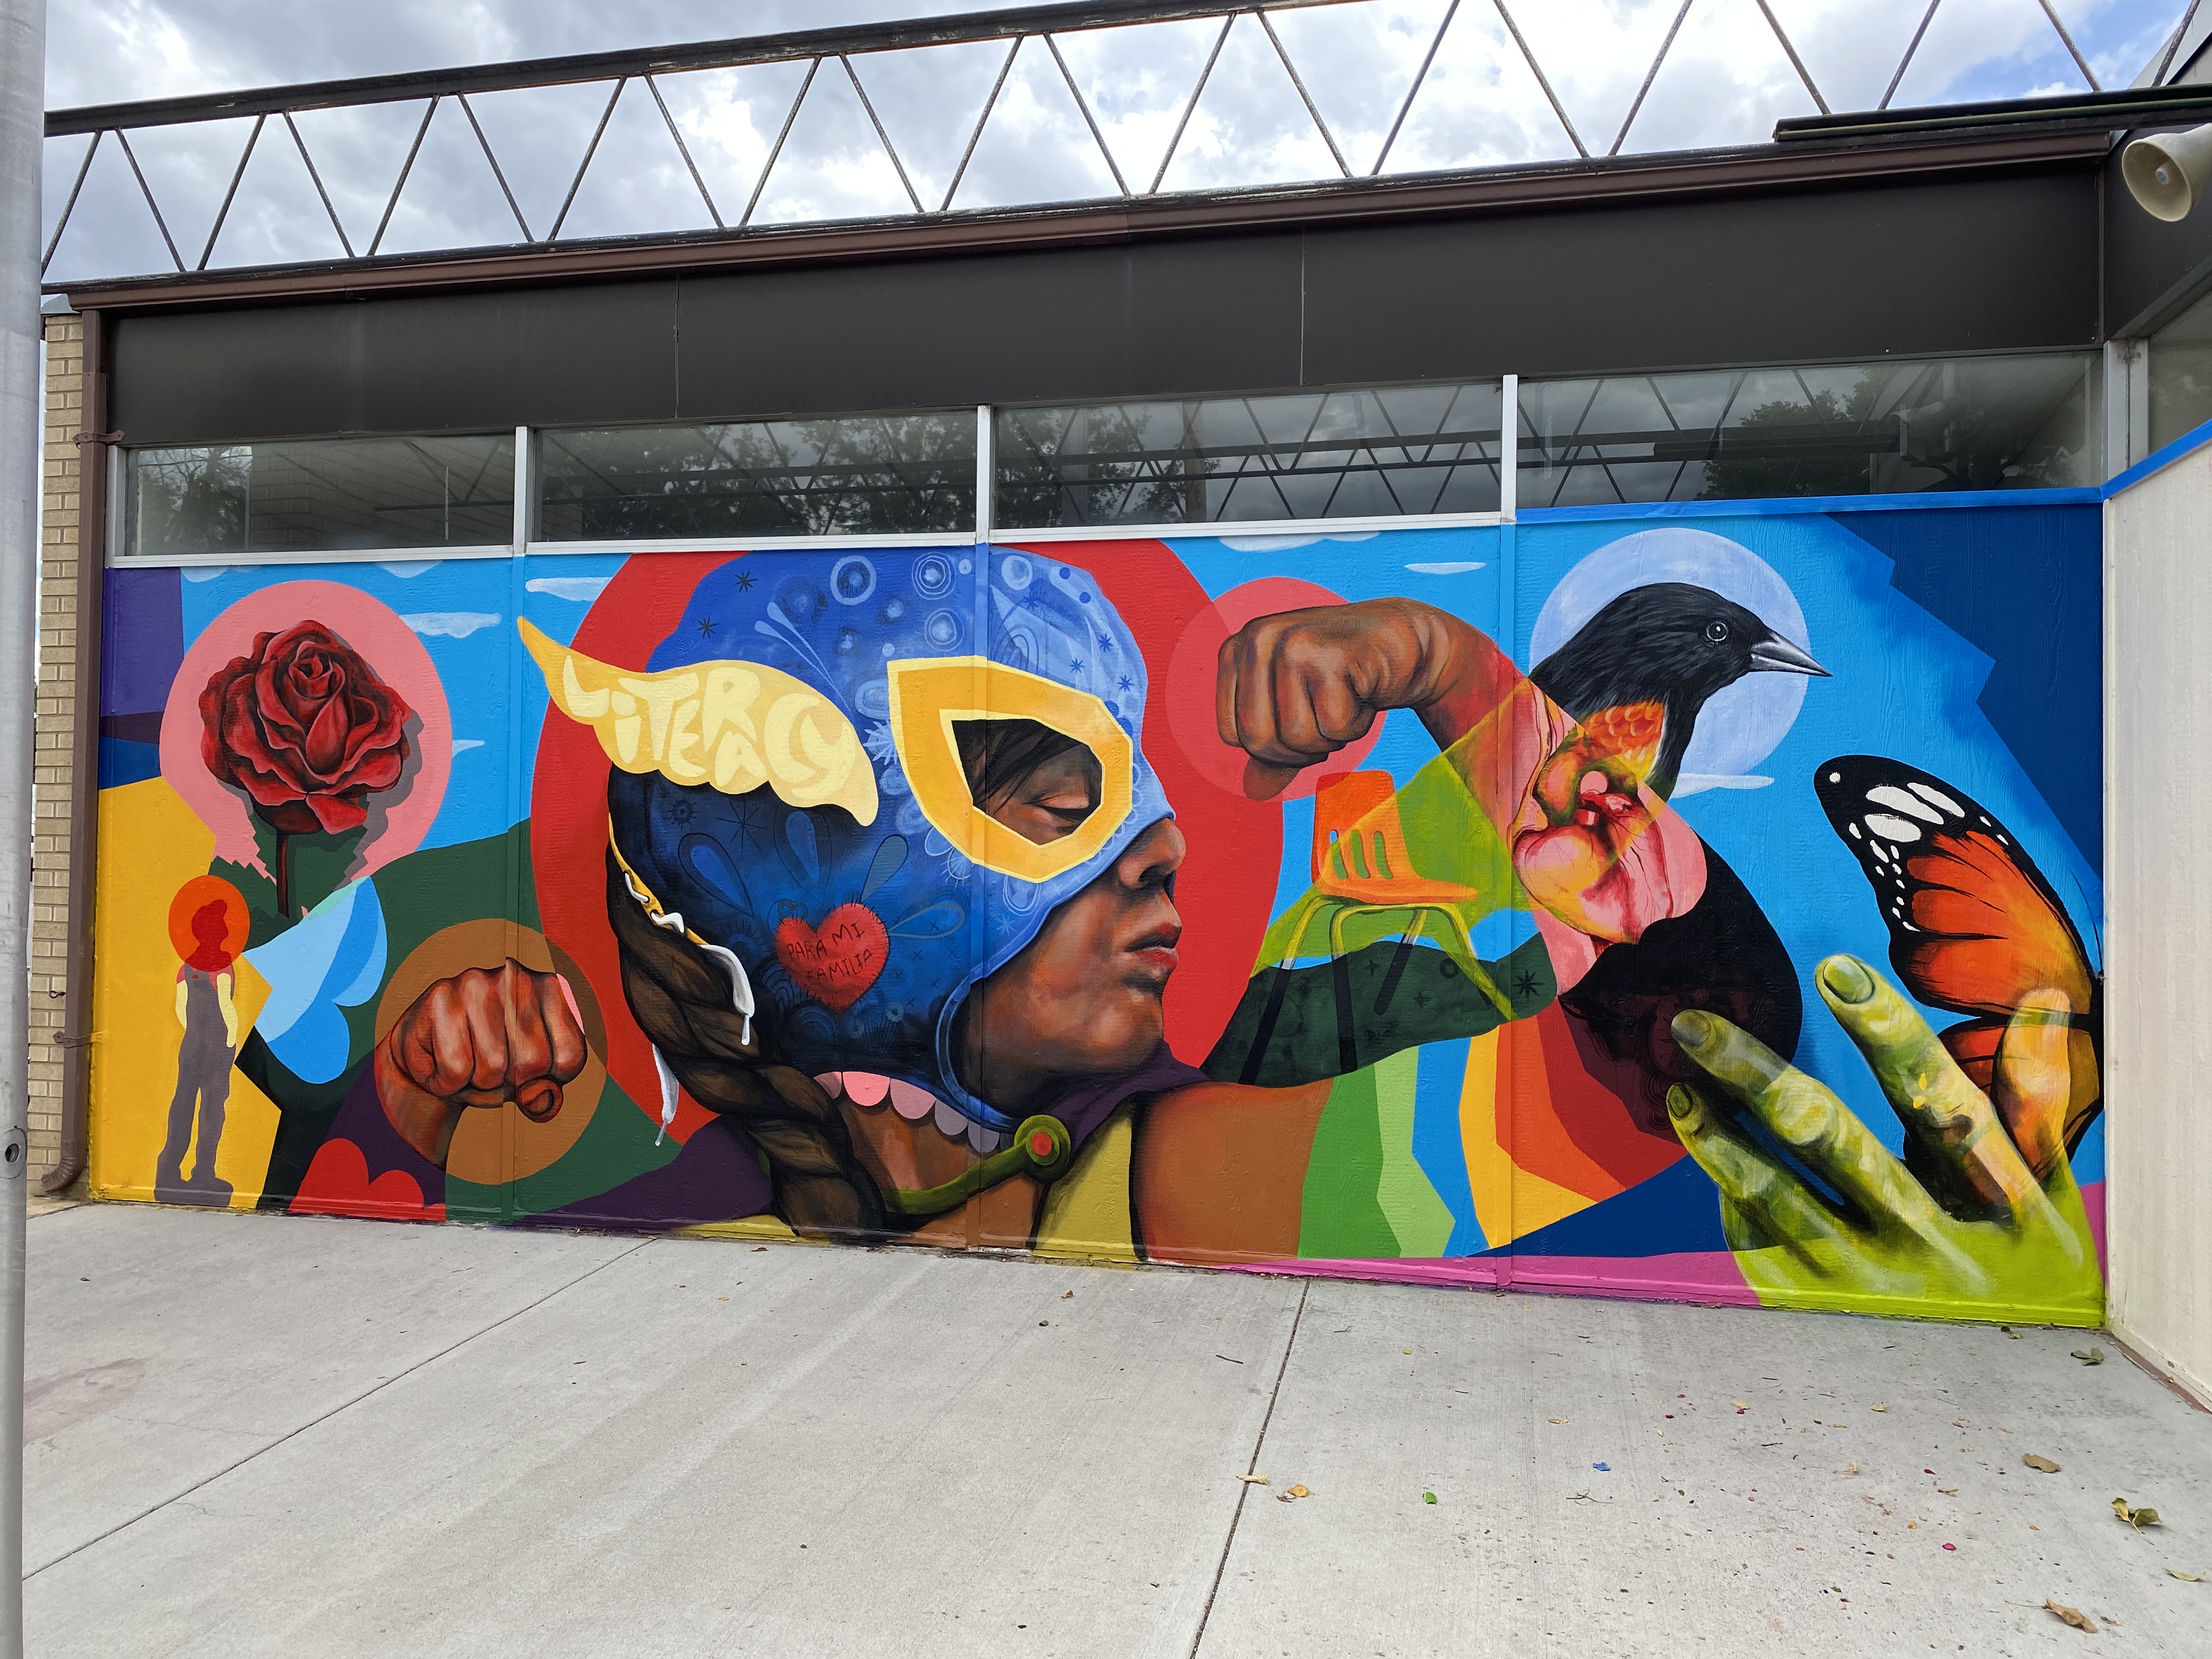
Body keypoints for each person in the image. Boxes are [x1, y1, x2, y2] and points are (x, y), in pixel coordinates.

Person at [370, 551, 2092, 1312]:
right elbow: (380, 1123)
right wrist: (435, 1059)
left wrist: (1444, 665)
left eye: (1139, 791)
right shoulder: (632, 1177)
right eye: (1046, 793)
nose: (1161, 853)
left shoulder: (1165, 1176)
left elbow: (1665, 1058)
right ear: (824, 891)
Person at [159, 898, 240, 1206]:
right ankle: (203, 1172)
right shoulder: (222, 966)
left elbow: (181, 1009)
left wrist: (193, 1031)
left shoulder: (186, 967)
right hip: (216, 1048)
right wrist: (231, 1038)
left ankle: (169, 1171)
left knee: (182, 1106)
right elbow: (226, 1007)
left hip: (190, 1045)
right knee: (212, 1111)